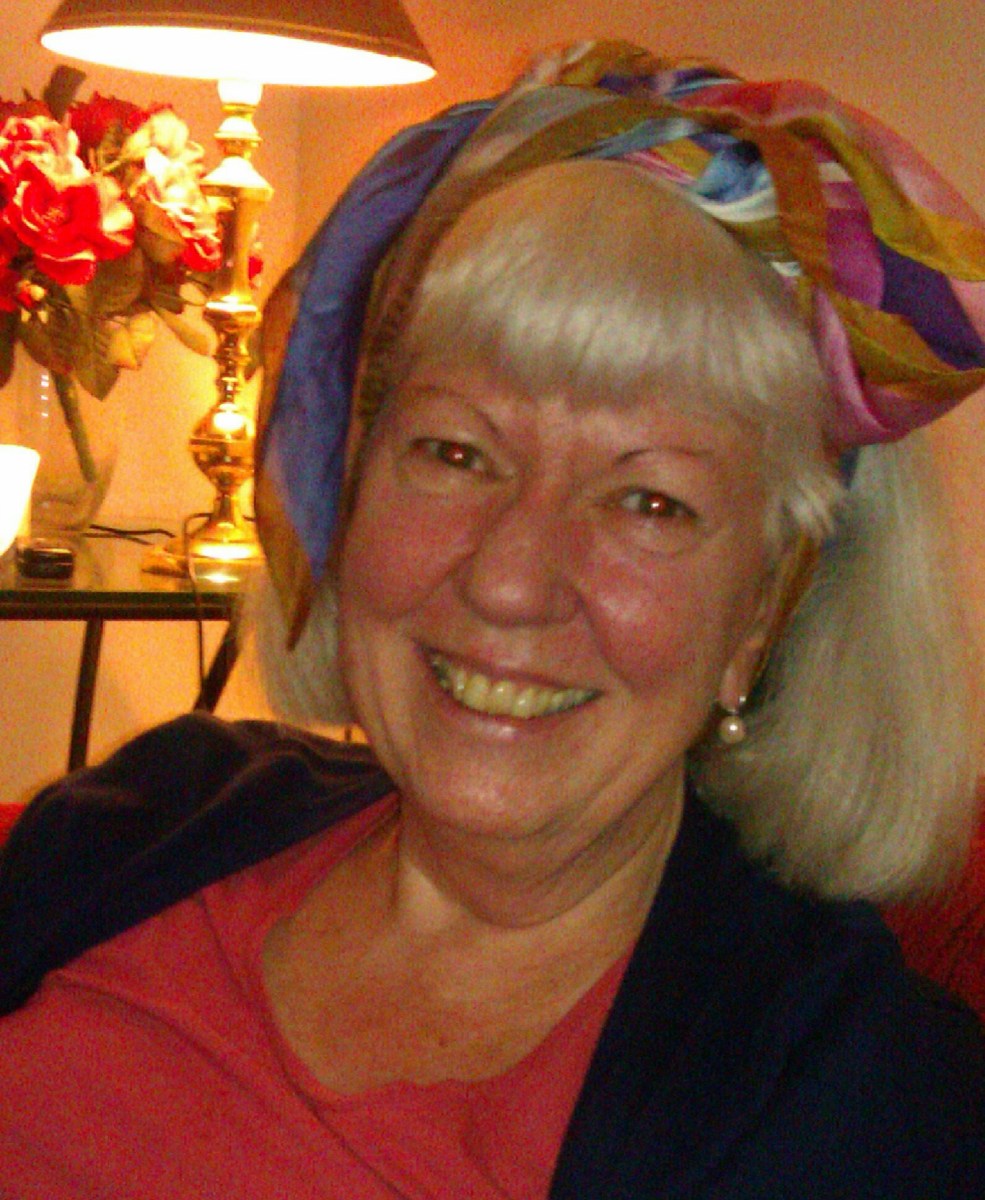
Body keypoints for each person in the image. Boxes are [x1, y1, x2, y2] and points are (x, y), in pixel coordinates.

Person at [1, 39, 984, 1198]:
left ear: (762, 614)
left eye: (649, 502)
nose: (509, 580)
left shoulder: (866, 1101)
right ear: (344, 489)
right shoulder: (145, 818)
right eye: (456, 452)